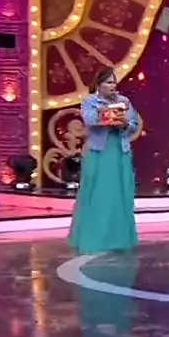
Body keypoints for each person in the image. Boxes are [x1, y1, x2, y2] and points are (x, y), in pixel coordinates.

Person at [67, 68, 140, 254]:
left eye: (114, 82)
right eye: (108, 82)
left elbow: (133, 125)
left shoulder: (124, 101)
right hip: (99, 153)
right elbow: (90, 120)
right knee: (99, 194)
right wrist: (110, 116)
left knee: (119, 194)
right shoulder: (90, 101)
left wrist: (124, 123)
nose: (112, 86)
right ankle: (95, 239)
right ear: (98, 85)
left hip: (119, 152)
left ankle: (118, 239)